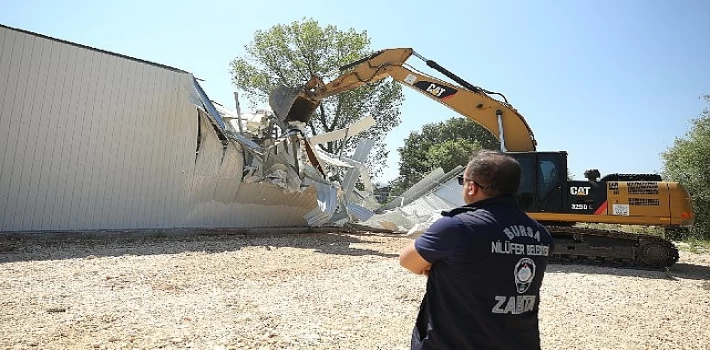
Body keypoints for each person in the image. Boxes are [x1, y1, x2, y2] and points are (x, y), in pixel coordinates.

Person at [399, 149, 554, 350]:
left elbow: (407, 260)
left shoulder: (457, 226)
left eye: (462, 182)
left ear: (471, 187)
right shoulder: (540, 233)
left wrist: (440, 269)